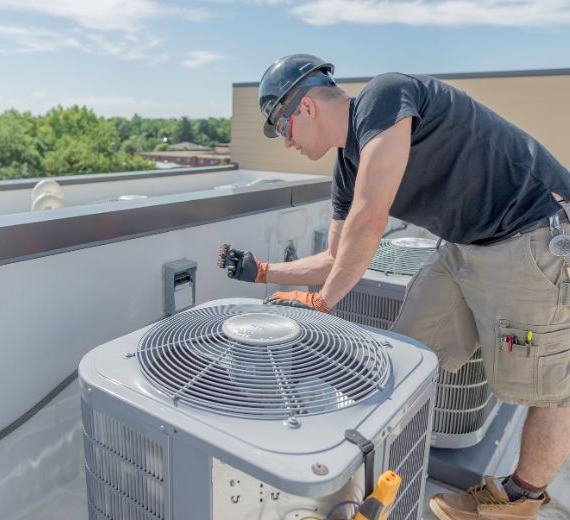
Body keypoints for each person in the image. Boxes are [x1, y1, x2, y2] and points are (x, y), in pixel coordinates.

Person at [217, 54, 570, 519]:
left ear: (306, 107)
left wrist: (322, 301)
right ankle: (371, 472)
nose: (285, 142)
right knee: (406, 353)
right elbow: (336, 257)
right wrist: (261, 272)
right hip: (464, 246)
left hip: (531, 232)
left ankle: (520, 499)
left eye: (281, 127)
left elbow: (370, 217)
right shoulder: (347, 167)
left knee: (549, 388)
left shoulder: (384, 97)